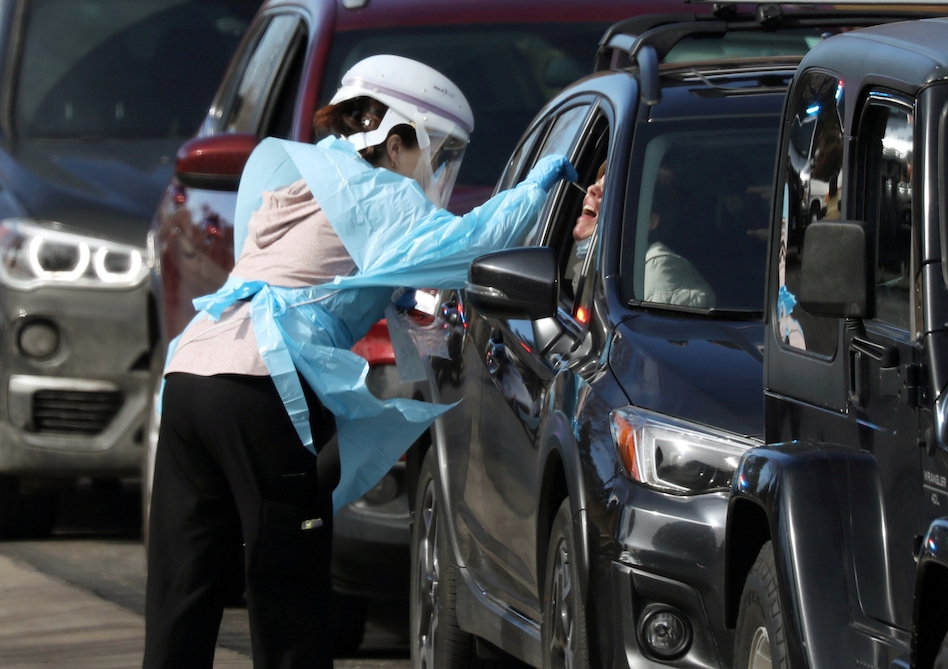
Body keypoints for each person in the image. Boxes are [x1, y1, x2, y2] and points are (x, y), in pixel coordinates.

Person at [142, 54, 575, 669]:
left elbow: (305, 270)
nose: (432, 170)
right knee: (288, 594)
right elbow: (472, 246)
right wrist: (542, 189)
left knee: (181, 595)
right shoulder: (380, 191)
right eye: (435, 150)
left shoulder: (304, 181)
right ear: (395, 137)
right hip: (260, 386)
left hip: (191, 378)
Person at [572, 162, 714, 308]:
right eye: (597, 183)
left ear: (647, 221)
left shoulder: (657, 267)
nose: (591, 188)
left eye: (610, 190)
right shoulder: (606, 265)